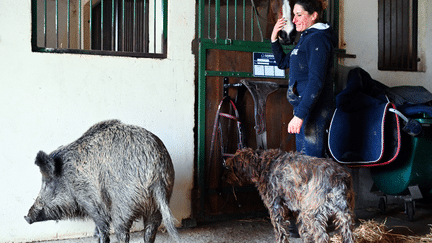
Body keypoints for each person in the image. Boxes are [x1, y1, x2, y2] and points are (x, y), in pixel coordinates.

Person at [271, 0, 337, 159]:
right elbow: (283, 62)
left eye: (299, 15)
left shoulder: (318, 40)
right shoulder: (306, 38)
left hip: (314, 110)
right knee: (304, 162)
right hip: (305, 109)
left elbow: (316, 82)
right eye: (294, 15)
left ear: (314, 15)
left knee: (311, 164)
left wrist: (299, 115)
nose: (294, 20)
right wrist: (274, 38)